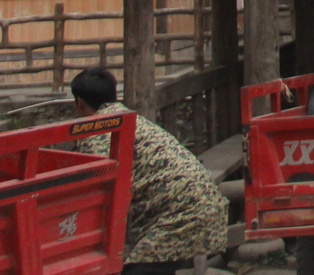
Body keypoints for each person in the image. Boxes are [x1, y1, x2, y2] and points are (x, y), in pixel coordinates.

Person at [71, 68, 229, 275]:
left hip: (179, 214)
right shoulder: (130, 118)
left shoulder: (96, 132)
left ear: (79, 103)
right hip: (204, 203)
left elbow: (98, 192)